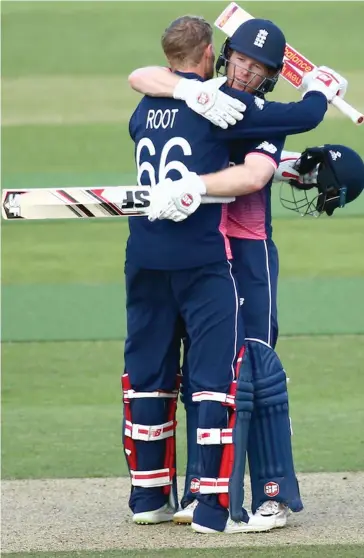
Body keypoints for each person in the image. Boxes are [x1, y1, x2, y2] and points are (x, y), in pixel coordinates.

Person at [124, 14, 346, 535]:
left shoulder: (261, 113)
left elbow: (255, 173)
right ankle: (206, 492)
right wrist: (194, 93)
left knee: (255, 370)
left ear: (271, 76)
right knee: (207, 375)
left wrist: (317, 94)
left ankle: (274, 496)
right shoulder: (197, 95)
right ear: (223, 56)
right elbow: (143, 75)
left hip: (245, 252)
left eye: (261, 67)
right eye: (242, 59)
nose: (247, 72)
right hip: (205, 253)